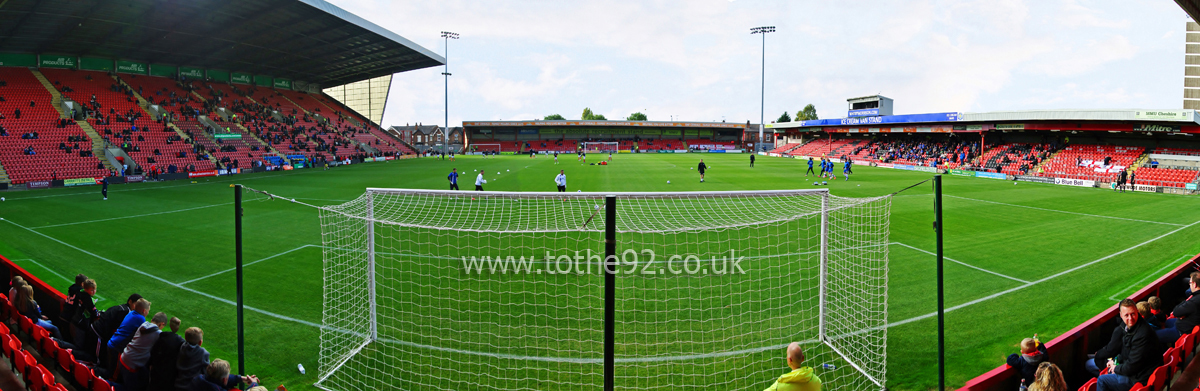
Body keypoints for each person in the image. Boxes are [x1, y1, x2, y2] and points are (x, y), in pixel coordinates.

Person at [1086, 298, 1161, 391]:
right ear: (1121, 315)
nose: (1130, 318)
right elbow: (1128, 352)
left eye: (1133, 314)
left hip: (1139, 379)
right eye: (1127, 315)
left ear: (1137, 312)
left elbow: (1132, 366)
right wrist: (1114, 363)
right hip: (1140, 372)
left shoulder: (1142, 333)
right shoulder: (1132, 328)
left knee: (1102, 380)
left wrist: (1116, 368)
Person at [119, 311, 168, 390]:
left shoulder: (143, 325)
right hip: (131, 365)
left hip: (123, 357)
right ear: (161, 324)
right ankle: (104, 384)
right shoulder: (158, 333)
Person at [109, 298, 152, 375]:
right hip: (117, 346)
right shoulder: (140, 318)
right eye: (148, 311)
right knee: (114, 374)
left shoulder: (131, 313)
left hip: (113, 342)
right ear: (144, 311)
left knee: (110, 368)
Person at [1159, 272, 1200, 344]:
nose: (1189, 285)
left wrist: (1185, 304)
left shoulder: (1193, 302)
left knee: (1155, 335)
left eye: (1190, 283)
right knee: (1167, 322)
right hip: (1187, 325)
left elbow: (1176, 312)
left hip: (1182, 331)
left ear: (1195, 284)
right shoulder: (1194, 300)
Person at [149, 317, 184, 391]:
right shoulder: (180, 342)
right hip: (168, 375)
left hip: (156, 371)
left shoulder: (162, 337)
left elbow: (154, 351)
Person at [71, 279, 100, 362]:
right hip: (79, 325)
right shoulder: (88, 299)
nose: (94, 292)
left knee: (76, 344)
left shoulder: (80, 292)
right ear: (86, 289)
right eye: (92, 290)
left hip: (75, 321)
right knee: (78, 347)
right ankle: (62, 347)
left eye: (94, 289)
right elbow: (95, 313)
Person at [187, 359, 259, 391]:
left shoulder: (199, 378)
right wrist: (254, 384)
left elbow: (222, 379)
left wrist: (242, 378)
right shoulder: (217, 389)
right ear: (224, 379)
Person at [176, 327, 210, 391]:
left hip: (178, 384)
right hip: (193, 387)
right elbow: (206, 372)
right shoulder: (203, 353)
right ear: (200, 342)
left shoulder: (181, 347)